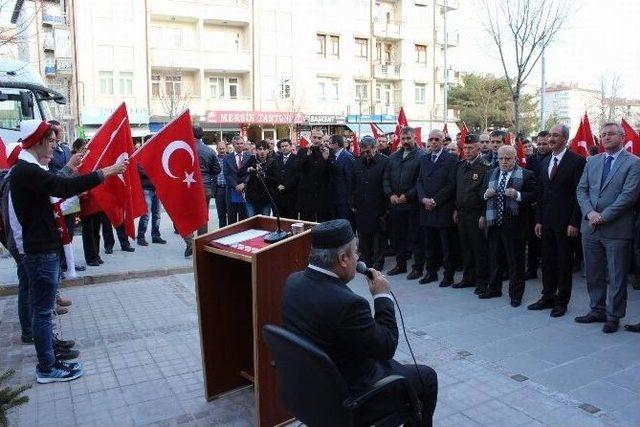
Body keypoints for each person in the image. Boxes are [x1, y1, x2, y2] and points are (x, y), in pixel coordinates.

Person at [281, 219, 438, 426]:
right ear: (343, 258)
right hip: (352, 399)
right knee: (426, 377)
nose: (358, 258)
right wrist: (382, 297)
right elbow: (387, 346)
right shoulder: (348, 304)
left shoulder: (293, 282)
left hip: (311, 391)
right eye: (356, 252)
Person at [9, 119, 127, 383]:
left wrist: (70, 167)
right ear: (38, 142)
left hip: (44, 248)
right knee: (42, 312)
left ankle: (50, 358)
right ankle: (47, 369)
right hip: (40, 251)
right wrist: (105, 172)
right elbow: (61, 188)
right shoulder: (25, 171)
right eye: (51, 141)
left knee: (45, 310)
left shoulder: (30, 169)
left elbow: (53, 183)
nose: (55, 146)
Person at [575, 122, 640, 333]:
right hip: (590, 228)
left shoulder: (634, 163)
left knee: (617, 275)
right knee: (593, 272)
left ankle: (614, 316)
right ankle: (597, 309)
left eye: (610, 134)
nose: (605, 137)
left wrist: (604, 216)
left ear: (622, 137)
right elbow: (581, 190)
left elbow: (628, 196)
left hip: (617, 229)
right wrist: (590, 213)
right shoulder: (592, 161)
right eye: (602, 134)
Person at [529, 124, 585, 318]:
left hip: (566, 224)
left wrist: (574, 222)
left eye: (556, 135)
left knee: (563, 263)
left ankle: (562, 301)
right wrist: (538, 220)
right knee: (547, 262)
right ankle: (547, 296)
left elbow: (580, 194)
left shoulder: (577, 161)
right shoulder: (545, 162)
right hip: (546, 222)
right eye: (550, 135)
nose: (551, 138)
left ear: (565, 139)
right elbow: (542, 193)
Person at [481, 145, 538, 307]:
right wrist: (486, 194)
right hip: (494, 223)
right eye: (501, 158)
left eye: (508, 158)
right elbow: (480, 194)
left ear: (515, 159)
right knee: (495, 259)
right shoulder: (490, 174)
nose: (504, 162)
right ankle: (494, 289)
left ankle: (516, 295)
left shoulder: (527, 175)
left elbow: (534, 195)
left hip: (516, 226)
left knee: (516, 262)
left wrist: (518, 195)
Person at [383, 126, 426, 279]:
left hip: (413, 204)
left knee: (415, 237)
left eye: (409, 138)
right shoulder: (393, 157)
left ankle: (417, 268)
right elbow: (386, 178)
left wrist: (407, 196)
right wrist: (390, 195)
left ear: (415, 138)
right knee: (398, 237)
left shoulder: (422, 156)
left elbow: (421, 181)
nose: (406, 141)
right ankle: (400, 265)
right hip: (395, 204)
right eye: (403, 139)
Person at [417, 129, 457, 286]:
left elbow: (451, 184)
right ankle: (431, 273)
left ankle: (448, 275)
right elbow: (419, 180)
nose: (433, 142)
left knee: (446, 246)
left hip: (442, 208)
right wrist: (423, 199)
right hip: (426, 208)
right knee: (429, 244)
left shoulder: (451, 158)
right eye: (431, 139)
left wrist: (435, 200)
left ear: (442, 141)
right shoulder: (424, 158)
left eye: (436, 139)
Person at [453, 133, 491, 294]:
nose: (467, 151)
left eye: (471, 148)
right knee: (466, 248)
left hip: (477, 214)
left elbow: (486, 195)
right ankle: (468, 278)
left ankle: (482, 281)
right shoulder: (460, 166)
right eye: (465, 148)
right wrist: (455, 209)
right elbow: (458, 190)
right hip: (462, 213)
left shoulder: (485, 167)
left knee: (479, 249)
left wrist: (484, 214)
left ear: (478, 148)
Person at [353, 136, 389, 271]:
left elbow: (386, 183)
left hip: (379, 205)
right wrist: (353, 202)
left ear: (375, 148)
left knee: (379, 236)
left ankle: (378, 261)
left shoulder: (384, 162)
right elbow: (353, 183)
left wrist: (386, 207)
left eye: (369, 152)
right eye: (364, 152)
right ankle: (367, 260)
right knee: (363, 235)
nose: (366, 155)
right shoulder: (357, 163)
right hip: (361, 205)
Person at [296, 127, 334, 222]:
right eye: (314, 137)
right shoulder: (302, 151)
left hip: (322, 194)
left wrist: (326, 159)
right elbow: (297, 168)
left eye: (319, 138)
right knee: (307, 222)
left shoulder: (328, 151)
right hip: (307, 194)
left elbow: (332, 172)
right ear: (311, 137)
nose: (317, 140)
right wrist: (306, 156)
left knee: (323, 223)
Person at [136, 162, 166, 246]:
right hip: (146, 190)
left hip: (157, 190)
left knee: (157, 214)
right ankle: (141, 237)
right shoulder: (141, 158)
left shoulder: (155, 158)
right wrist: (153, 172)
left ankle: (156, 236)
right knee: (145, 215)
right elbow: (140, 172)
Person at [223, 135, 251, 224]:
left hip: (245, 191)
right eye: (237, 144)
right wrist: (236, 185)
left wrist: (244, 184)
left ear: (244, 144)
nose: (239, 145)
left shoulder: (249, 157)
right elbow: (227, 174)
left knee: (244, 219)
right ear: (233, 145)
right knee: (232, 218)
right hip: (232, 191)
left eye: (241, 143)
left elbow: (250, 173)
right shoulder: (227, 157)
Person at [330, 135, 356, 222]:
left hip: (344, 199)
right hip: (335, 197)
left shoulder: (347, 157)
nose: (328, 145)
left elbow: (351, 179)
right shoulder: (333, 156)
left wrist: (351, 199)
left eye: (330, 143)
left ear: (336, 144)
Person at [271, 138, 299, 220]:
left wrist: (286, 186)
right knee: (280, 219)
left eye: (286, 146)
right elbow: (273, 175)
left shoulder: (296, 159)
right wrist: (277, 185)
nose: (284, 148)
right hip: (278, 195)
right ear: (279, 148)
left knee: (291, 220)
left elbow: (297, 176)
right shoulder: (275, 159)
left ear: (290, 146)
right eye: (282, 146)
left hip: (291, 195)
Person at [245, 140, 274, 216]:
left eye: (264, 149)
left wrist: (264, 176)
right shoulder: (251, 159)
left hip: (265, 198)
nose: (262, 151)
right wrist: (248, 169)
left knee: (264, 223)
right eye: (260, 149)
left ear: (268, 150)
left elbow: (276, 179)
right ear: (256, 150)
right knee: (251, 222)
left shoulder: (272, 162)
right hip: (251, 198)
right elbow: (240, 173)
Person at [214, 141, 228, 228]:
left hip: (229, 189)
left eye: (223, 148)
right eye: (220, 149)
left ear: (226, 148)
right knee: (221, 214)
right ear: (217, 149)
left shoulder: (231, 158)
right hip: (218, 189)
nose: (222, 150)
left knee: (231, 213)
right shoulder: (214, 159)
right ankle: (222, 231)